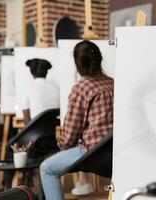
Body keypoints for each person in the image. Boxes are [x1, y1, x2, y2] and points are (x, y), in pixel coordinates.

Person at [40, 40, 114, 200]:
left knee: (46, 168)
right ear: (99, 60)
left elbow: (69, 136)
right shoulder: (113, 83)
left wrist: (62, 145)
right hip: (117, 153)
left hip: (94, 154)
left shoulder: (81, 88)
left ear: (77, 64)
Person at [22, 59, 59, 124]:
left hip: (35, 132)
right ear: (46, 72)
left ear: (31, 72)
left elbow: (27, 122)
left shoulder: (27, 90)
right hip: (54, 130)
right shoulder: (56, 89)